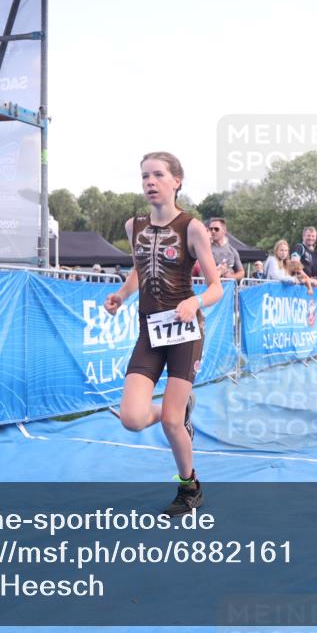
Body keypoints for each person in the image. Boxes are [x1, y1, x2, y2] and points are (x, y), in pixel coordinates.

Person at [105, 152, 223, 517]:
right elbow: (139, 269)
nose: (150, 182)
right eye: (144, 176)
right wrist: (122, 296)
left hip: (185, 332)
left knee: (173, 423)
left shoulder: (192, 227)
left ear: (177, 181)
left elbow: (217, 287)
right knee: (132, 418)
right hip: (149, 330)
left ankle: (190, 487)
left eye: (158, 175)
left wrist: (195, 301)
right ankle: (178, 407)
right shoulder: (133, 226)